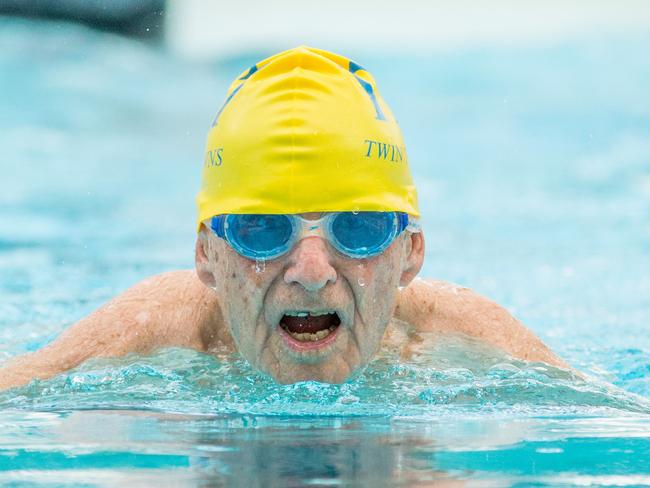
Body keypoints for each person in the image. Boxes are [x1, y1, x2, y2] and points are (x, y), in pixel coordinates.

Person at [0, 46, 567, 390]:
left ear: (411, 252)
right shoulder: (144, 339)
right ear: (206, 254)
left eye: (358, 228)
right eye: (262, 229)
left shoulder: (473, 345)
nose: (313, 271)